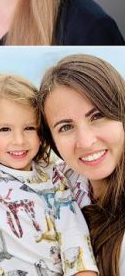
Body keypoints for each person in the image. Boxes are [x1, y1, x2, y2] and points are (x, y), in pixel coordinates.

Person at [0, 74, 97, 275]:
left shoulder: (54, 178)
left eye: (29, 128)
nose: (19, 140)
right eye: (5, 129)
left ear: (40, 133)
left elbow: (73, 233)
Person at [39, 54, 125, 276]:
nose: (86, 142)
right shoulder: (62, 182)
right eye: (65, 127)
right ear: (52, 142)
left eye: (97, 116)